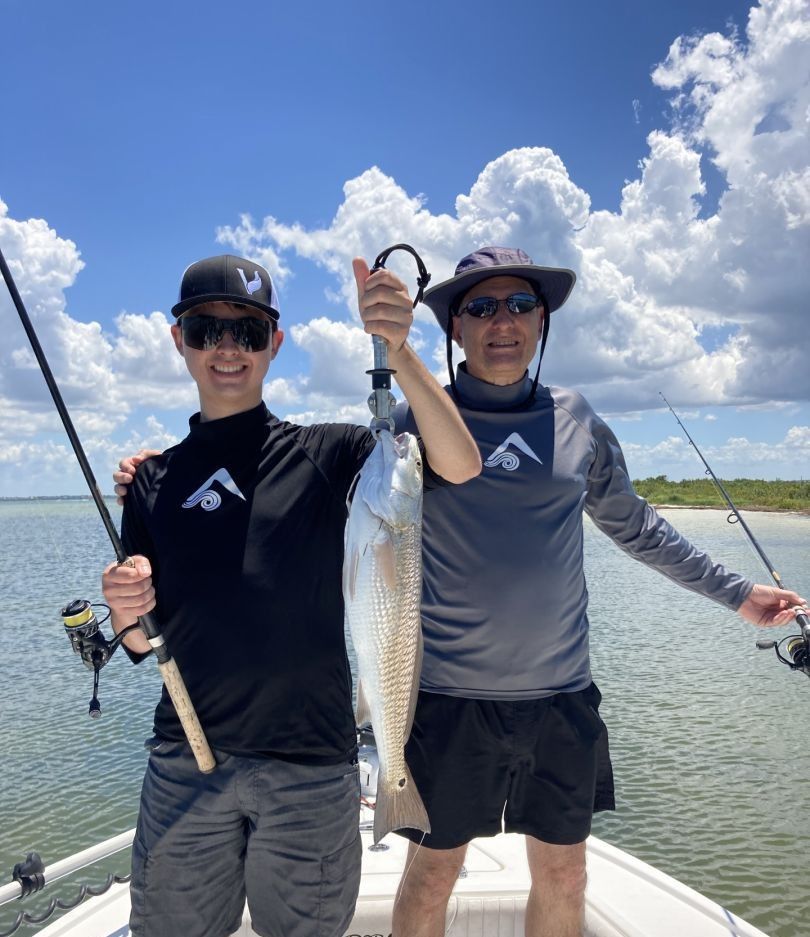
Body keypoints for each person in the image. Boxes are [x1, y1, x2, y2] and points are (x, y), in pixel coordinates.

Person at [384, 247, 807, 937]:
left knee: (567, 874)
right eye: (481, 306)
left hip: (561, 699)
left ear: (543, 320)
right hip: (448, 700)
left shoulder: (577, 418)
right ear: (454, 327)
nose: (503, 321)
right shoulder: (413, 423)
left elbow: (638, 528)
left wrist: (739, 594)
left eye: (521, 304)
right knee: (432, 875)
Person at [101, 252, 480, 937]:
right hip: (186, 763)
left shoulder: (328, 453)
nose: (226, 348)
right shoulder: (151, 481)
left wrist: (400, 350)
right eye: (206, 328)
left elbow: (458, 461)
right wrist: (126, 613)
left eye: (247, 332)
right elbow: (139, 640)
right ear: (177, 339)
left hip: (312, 767)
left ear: (274, 345)